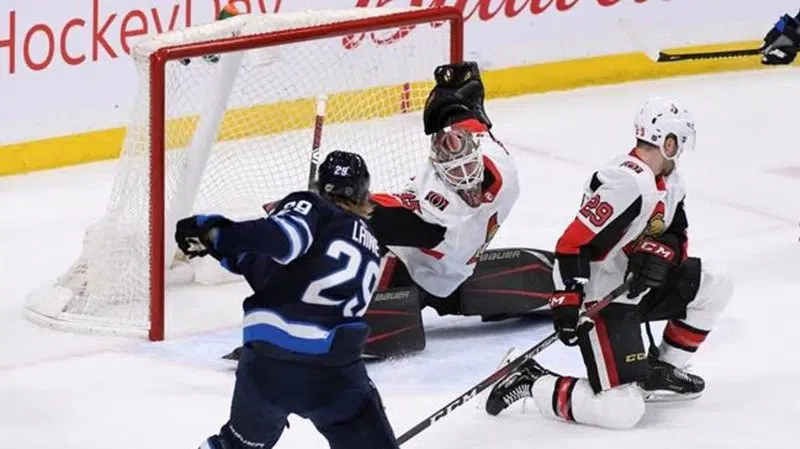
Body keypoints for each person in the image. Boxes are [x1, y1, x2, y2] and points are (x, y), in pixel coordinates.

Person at [483, 97, 734, 430]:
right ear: (668, 143)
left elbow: (676, 233)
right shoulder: (626, 183)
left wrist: (659, 254)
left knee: (717, 281)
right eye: (680, 144)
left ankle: (659, 371)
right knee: (621, 411)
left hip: (636, 287)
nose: (680, 153)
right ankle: (529, 377)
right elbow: (572, 243)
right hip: (603, 297)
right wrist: (568, 298)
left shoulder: (672, 181)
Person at [175, 150, 399, 449]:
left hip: (268, 365)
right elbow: (285, 264)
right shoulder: (371, 242)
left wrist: (217, 235)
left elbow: (281, 242)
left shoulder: (312, 206)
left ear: (320, 186)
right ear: (364, 194)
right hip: (335, 372)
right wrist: (223, 243)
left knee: (236, 444)